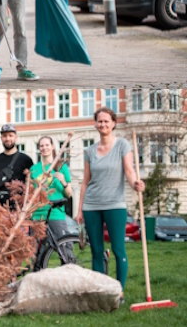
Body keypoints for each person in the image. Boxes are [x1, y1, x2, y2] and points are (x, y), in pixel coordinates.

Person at [75, 107, 145, 304]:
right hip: (91, 206)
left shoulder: (122, 145)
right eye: (100, 121)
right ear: (96, 124)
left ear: (113, 123)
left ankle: (118, 292)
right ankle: (101, 292)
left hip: (115, 204)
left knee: (118, 249)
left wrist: (136, 183)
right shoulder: (90, 151)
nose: (103, 124)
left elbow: (129, 171)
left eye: (106, 121)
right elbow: (85, 181)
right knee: (96, 251)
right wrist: (79, 210)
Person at [30, 136, 74, 261]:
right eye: (41, 146)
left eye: (47, 145)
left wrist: (63, 181)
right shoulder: (34, 169)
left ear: (52, 147)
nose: (44, 148)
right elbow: (31, 193)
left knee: (65, 251)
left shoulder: (60, 167)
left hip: (55, 213)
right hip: (37, 215)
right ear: (39, 148)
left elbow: (69, 194)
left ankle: (70, 272)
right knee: (36, 255)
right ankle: (38, 273)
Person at [0, 124, 34, 210]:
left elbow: (31, 184)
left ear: (16, 137)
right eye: (4, 136)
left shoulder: (26, 160)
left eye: (10, 135)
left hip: (20, 207)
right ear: (1, 138)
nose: (7, 138)